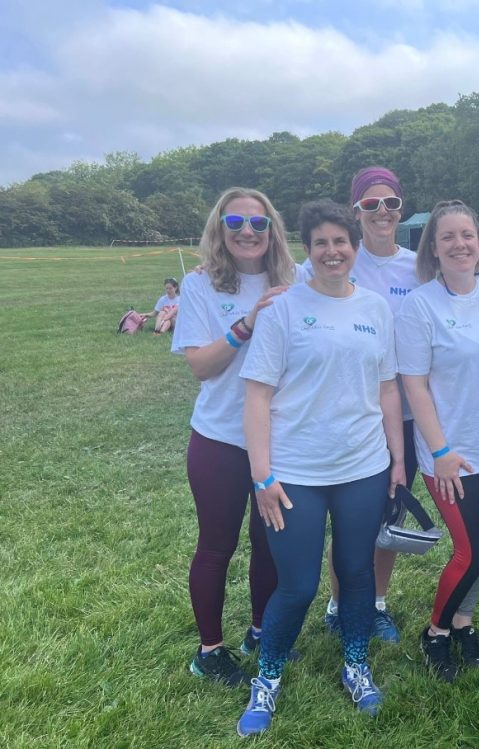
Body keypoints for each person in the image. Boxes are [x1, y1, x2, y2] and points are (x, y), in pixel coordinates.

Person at [235, 200, 404, 734]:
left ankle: (356, 665)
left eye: (341, 242)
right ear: (309, 250)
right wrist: (262, 475)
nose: (333, 252)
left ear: (354, 247)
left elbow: (387, 388)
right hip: (295, 473)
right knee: (299, 584)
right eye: (322, 243)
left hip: (363, 466)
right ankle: (267, 679)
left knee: (356, 574)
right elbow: (257, 396)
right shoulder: (285, 308)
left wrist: (398, 459)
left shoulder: (376, 307)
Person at [171, 187, 293, 687]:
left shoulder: (294, 279)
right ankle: (210, 651)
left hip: (279, 439)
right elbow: (200, 365)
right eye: (235, 222)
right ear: (219, 227)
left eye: (258, 223)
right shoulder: (200, 285)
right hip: (220, 437)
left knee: (270, 545)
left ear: (272, 230)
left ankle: (262, 632)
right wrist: (248, 322)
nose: (247, 232)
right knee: (216, 546)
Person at [396, 200, 479, 682]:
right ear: (434, 248)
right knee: (474, 552)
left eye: (467, 235)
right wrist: (441, 451)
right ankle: (435, 632)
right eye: (448, 237)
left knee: (476, 545)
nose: (459, 244)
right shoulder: (420, 304)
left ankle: (464, 624)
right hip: (448, 455)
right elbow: (414, 383)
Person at [320, 166, 421, 645]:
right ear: (356, 211)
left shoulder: (419, 266)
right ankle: (339, 603)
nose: (383, 212)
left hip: (403, 415)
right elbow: (287, 290)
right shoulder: (338, 258)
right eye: (371, 204)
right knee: (348, 520)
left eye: (391, 204)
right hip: (346, 415)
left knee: (388, 517)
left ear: (401, 208)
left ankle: (377, 603)